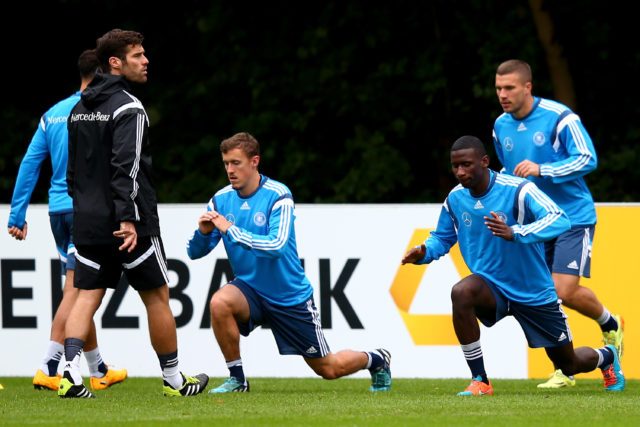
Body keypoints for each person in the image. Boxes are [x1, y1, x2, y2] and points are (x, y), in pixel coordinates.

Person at [401, 136, 624, 396]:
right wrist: (425, 251)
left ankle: (606, 357)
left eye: (467, 164)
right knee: (461, 292)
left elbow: (559, 219)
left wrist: (516, 232)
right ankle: (480, 380)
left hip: (533, 291)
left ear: (484, 162)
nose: (460, 172)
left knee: (568, 363)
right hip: (491, 285)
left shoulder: (519, 189)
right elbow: (442, 236)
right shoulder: (456, 198)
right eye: (455, 166)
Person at [60, 29, 208, 398]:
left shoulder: (78, 109)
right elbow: (124, 168)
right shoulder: (130, 107)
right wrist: (127, 219)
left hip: (89, 220)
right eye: (138, 55)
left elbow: (73, 173)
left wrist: (84, 214)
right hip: (130, 224)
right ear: (116, 63)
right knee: (157, 296)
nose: (146, 61)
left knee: (86, 296)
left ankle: (68, 373)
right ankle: (174, 380)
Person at [186, 132, 391, 393]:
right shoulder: (220, 199)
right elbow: (193, 253)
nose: (230, 170)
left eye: (236, 162)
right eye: (226, 163)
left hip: (288, 296)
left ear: (254, 161)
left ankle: (375, 359)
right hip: (249, 290)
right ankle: (237, 379)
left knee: (328, 368)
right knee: (219, 302)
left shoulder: (278, 194)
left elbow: (276, 246)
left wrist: (231, 230)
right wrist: (203, 233)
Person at [492, 59, 623, 388]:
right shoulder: (500, 126)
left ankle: (609, 323)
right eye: (498, 88)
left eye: (509, 88)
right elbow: (509, 174)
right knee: (544, 296)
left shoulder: (560, 117)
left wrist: (542, 169)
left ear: (527, 87)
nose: (503, 95)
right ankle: (564, 369)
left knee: (563, 290)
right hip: (535, 221)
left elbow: (587, 158)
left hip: (571, 218)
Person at [7, 49, 127, 392]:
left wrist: (18, 214)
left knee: (80, 288)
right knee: (77, 293)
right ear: (103, 72)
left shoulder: (53, 113)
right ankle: (48, 365)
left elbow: (30, 164)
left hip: (57, 212)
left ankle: (98, 367)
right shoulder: (97, 111)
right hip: (85, 211)